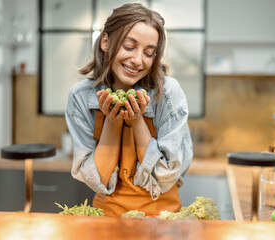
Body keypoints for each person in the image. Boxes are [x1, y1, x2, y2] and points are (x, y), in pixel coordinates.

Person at [65, 3, 193, 217]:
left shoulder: (168, 94)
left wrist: (136, 121)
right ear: (105, 41)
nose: (137, 60)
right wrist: (113, 121)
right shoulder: (80, 96)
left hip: (162, 222)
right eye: (129, 46)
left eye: (149, 53)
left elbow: (165, 176)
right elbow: (98, 179)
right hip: (105, 221)